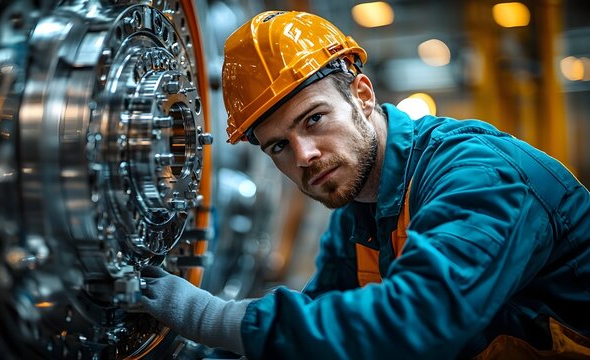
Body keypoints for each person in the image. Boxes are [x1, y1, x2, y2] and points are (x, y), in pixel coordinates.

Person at [138, 10, 590, 359]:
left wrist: (208, 315)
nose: (304, 156)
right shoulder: (359, 212)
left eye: (314, 119)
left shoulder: (475, 176)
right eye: (278, 147)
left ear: (363, 95)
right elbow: (322, 332)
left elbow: (416, 324)